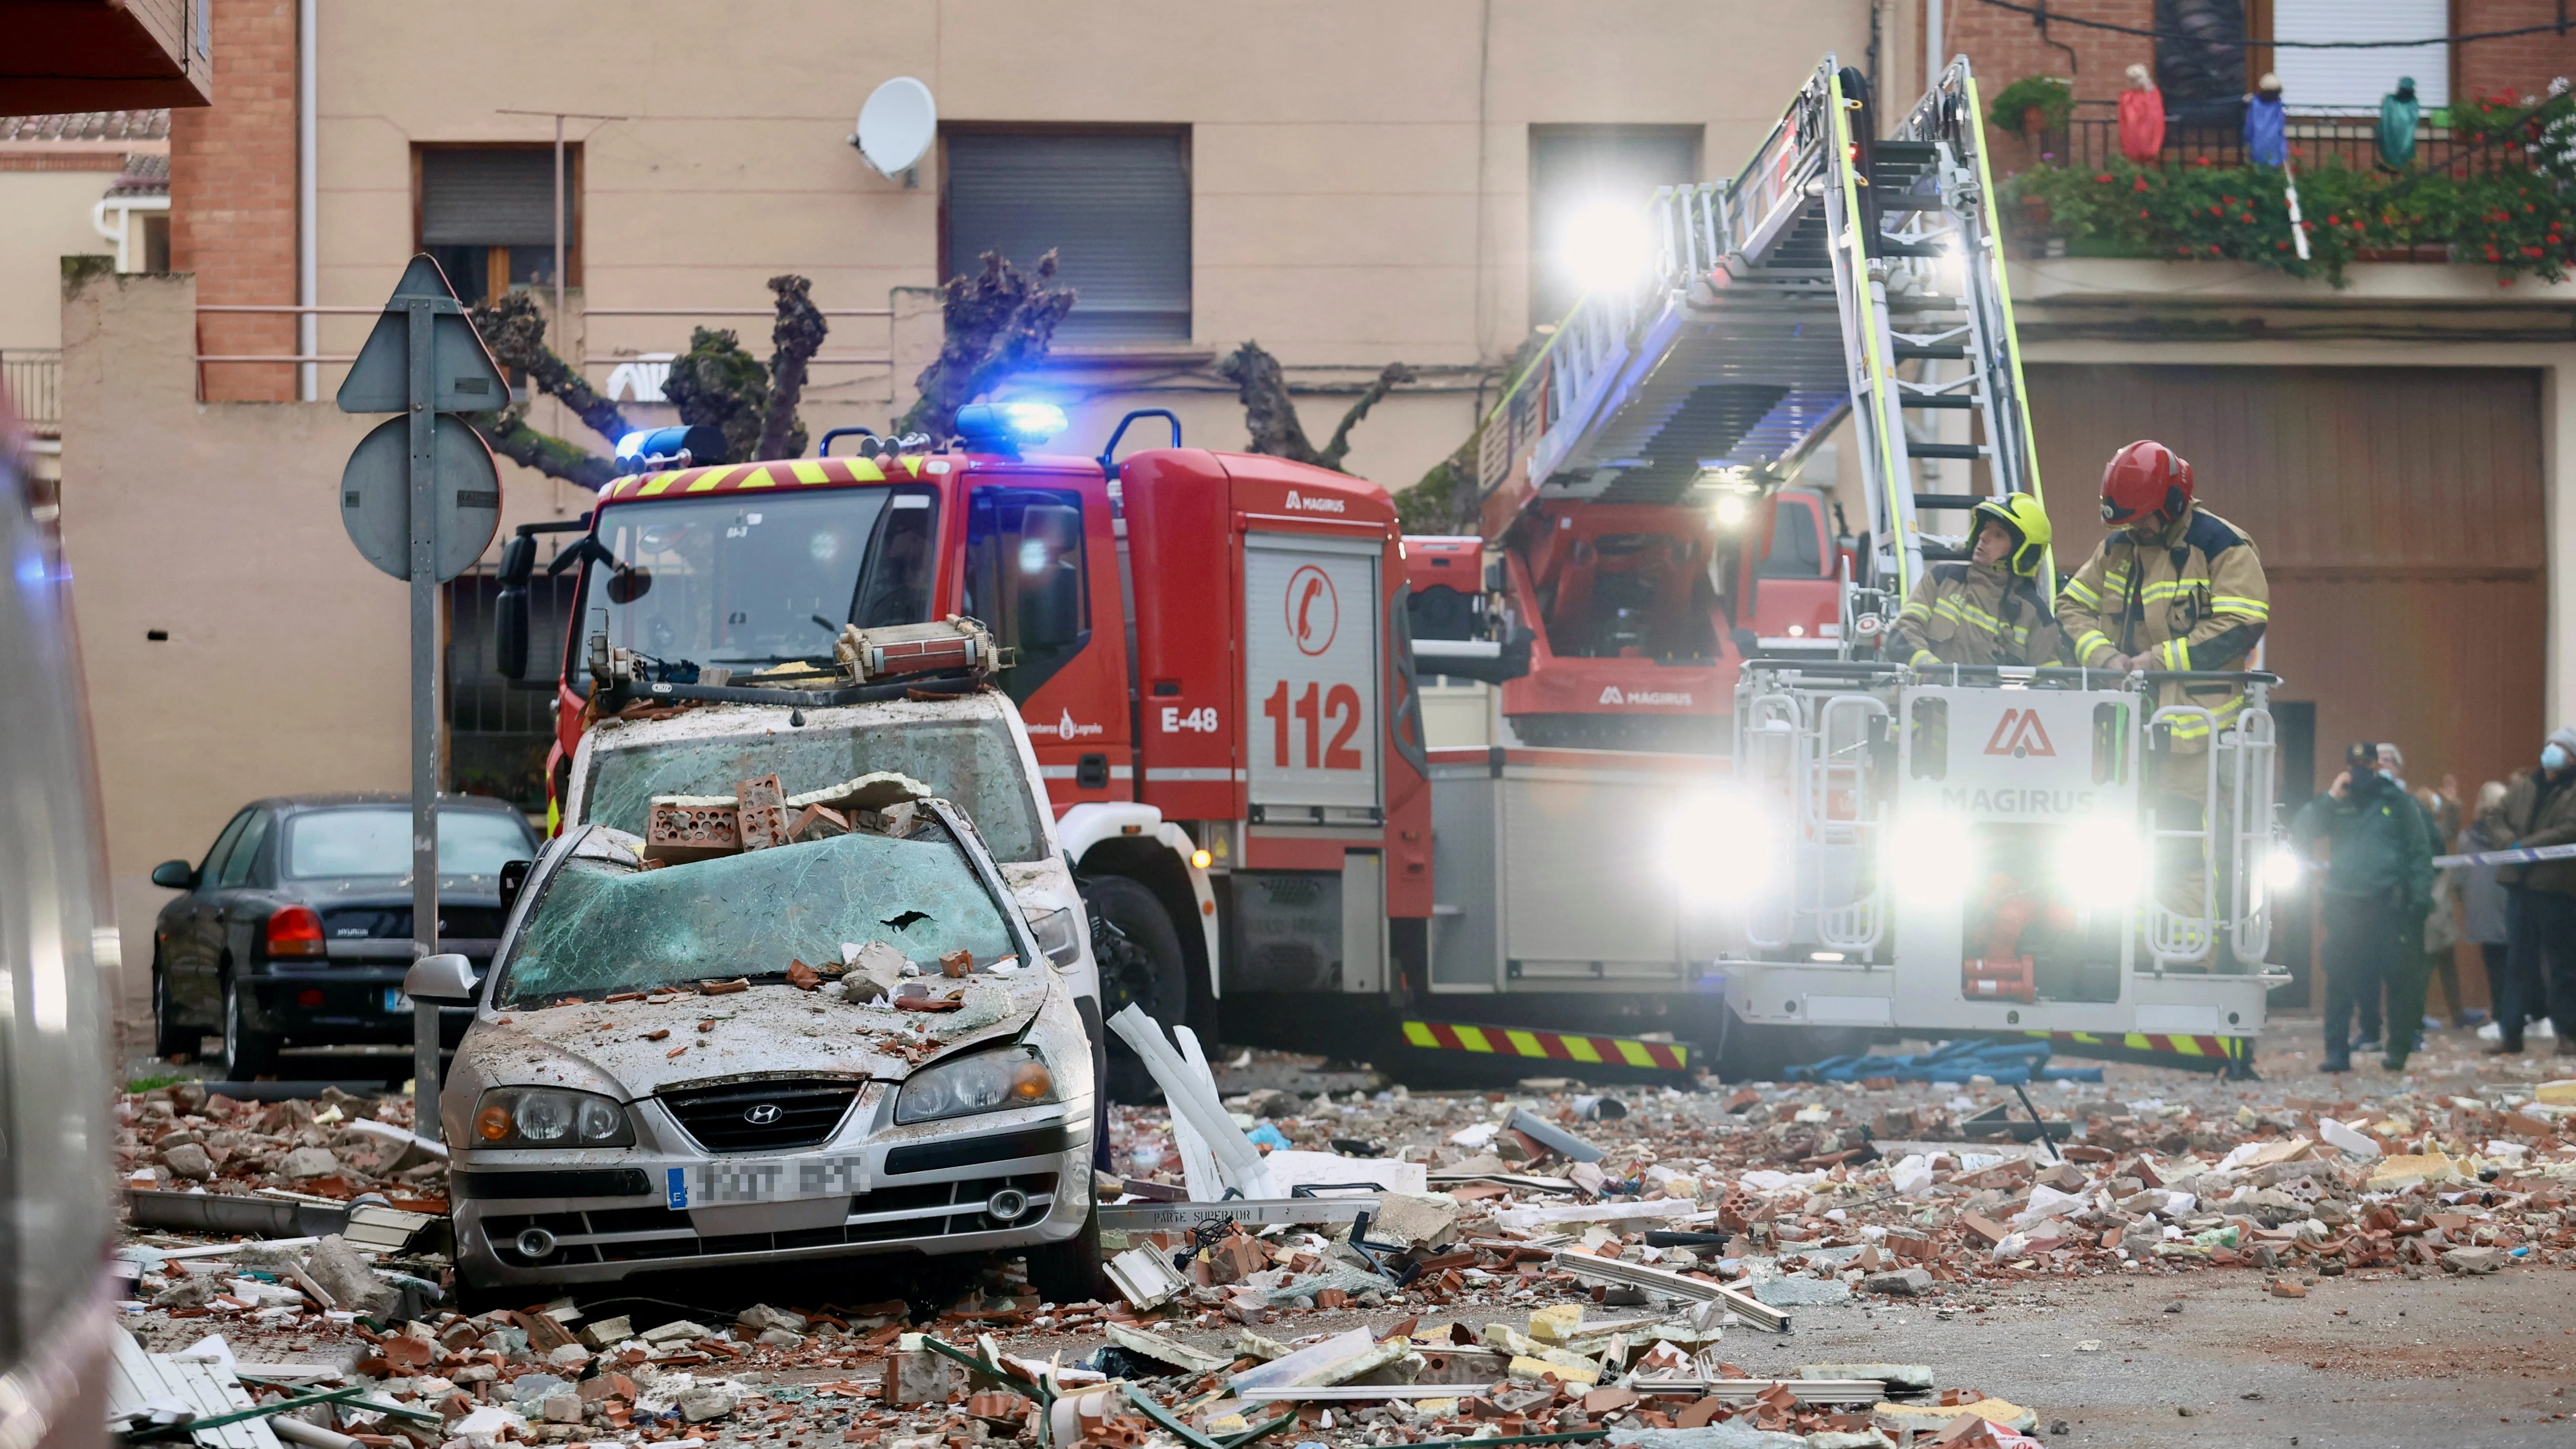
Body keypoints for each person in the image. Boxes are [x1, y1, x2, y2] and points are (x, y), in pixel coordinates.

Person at [2056, 440, 2270, 942]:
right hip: (2125, 729)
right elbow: (2070, 607)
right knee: (2111, 843)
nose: (2136, 529)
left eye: (2143, 518)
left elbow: (2243, 621)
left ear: (2174, 502)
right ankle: (2119, 951)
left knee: (2182, 847)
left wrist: (2158, 660)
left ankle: (2189, 953)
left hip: (2198, 731)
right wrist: (2105, 657)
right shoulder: (2116, 547)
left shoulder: (2221, 545)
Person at [2292, 741, 2435, 1073]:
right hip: (2345, 907)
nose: (2362, 770)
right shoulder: (2339, 801)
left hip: (2388, 907)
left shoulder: (2397, 802)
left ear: (2376, 766)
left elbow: (2419, 852)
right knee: (2340, 981)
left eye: (2367, 764)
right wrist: (2330, 798)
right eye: (2355, 765)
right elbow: (2301, 830)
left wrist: (2420, 900)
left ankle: (2397, 1051)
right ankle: (2336, 1054)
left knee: (2399, 981)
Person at [2481, 727, 2576, 1056]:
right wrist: (2510, 845)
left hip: (2555, 887)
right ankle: (2511, 1033)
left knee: (2562, 962)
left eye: (2561, 747)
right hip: (2519, 886)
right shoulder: (2524, 786)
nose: (2552, 750)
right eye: (2550, 744)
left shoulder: (2573, 791)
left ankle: (2567, 1033)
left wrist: (2528, 848)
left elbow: (2569, 829)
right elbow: (2494, 815)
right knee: (2517, 963)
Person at [1887, 494, 2064, 668]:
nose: (1983, 537)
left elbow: (2053, 686)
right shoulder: (1942, 580)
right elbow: (1903, 634)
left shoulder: (2035, 615)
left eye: (1998, 534)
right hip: (1928, 695)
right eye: (1984, 528)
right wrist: (1934, 673)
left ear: (2024, 552)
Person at [2457, 780, 2522, 1036]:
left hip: (2481, 908)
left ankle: (2502, 1018)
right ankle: (2514, 1018)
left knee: (2495, 966)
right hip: (2511, 905)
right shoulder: (2514, 837)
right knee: (2514, 967)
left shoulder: (2467, 838)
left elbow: (2460, 879)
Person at [2119, 63, 2166, 164]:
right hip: (2133, 136)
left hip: (2148, 135)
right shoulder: (2128, 97)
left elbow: (2155, 117)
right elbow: (2125, 120)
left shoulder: (2152, 95)